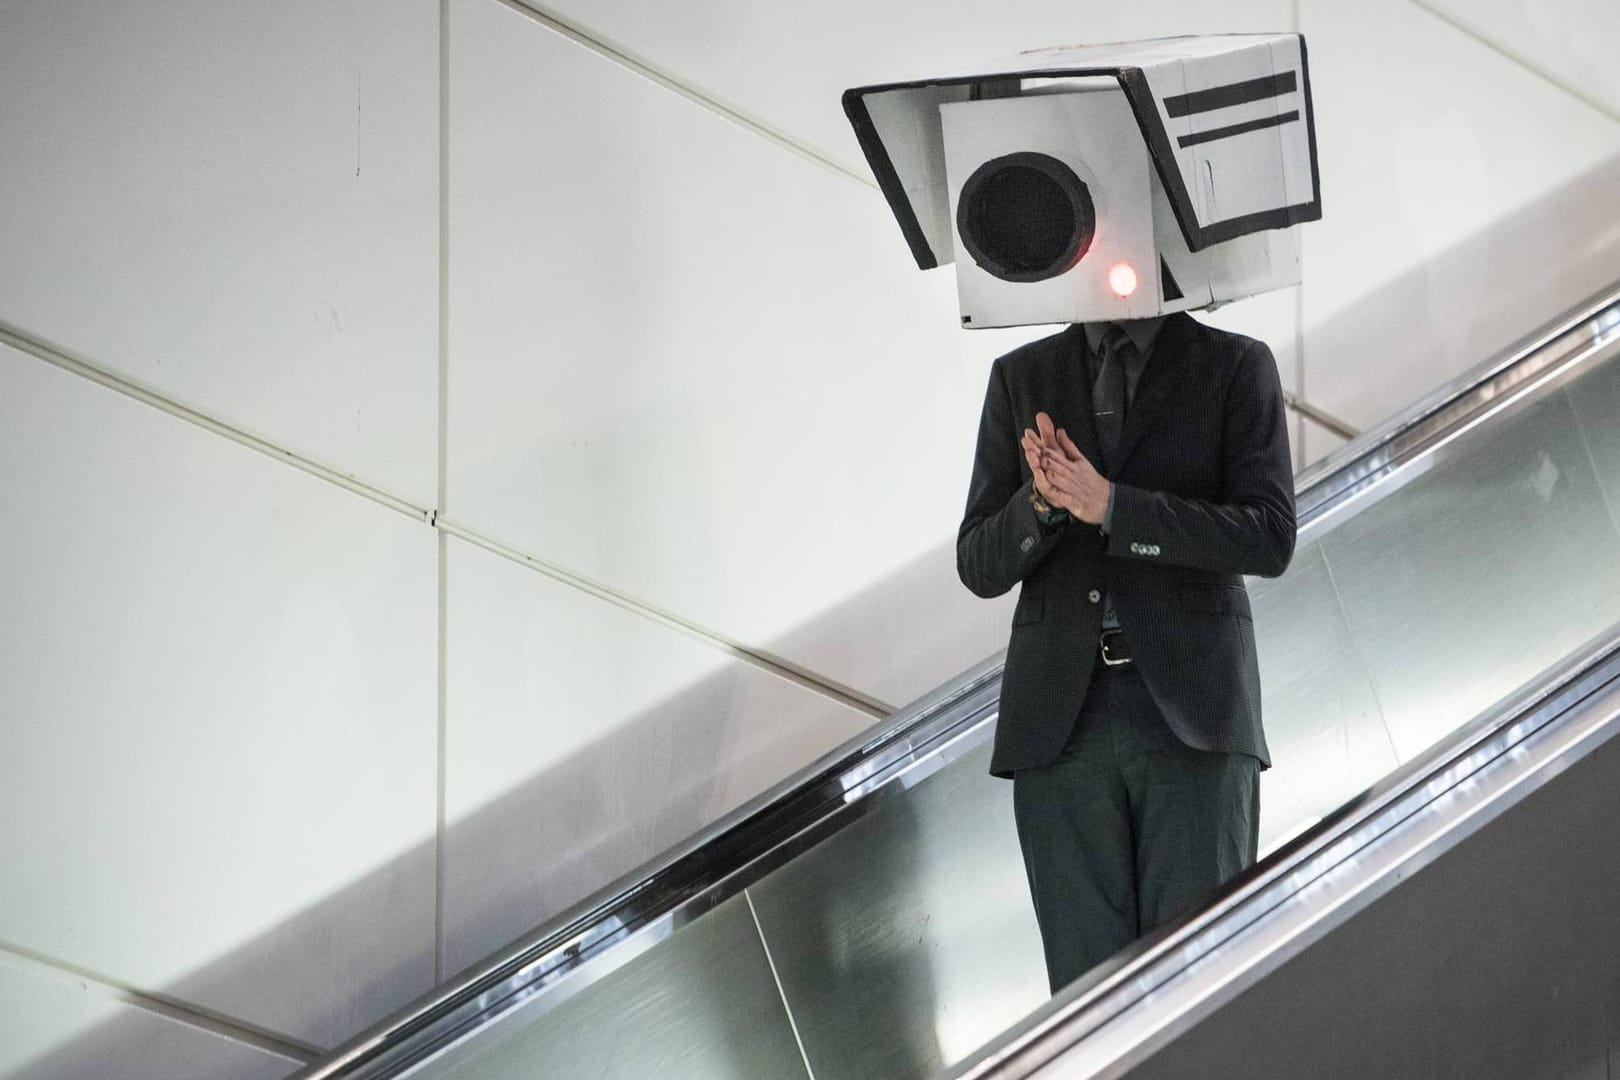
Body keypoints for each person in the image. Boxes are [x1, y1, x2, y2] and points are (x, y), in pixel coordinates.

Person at [956, 312, 1296, 993]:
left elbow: (1270, 535)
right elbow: (979, 564)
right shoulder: (1022, 376)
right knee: (1089, 1001)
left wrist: (1116, 507)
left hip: (1194, 714)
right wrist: (1043, 505)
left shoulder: (1235, 364)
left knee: (1200, 984)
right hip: (1061, 726)